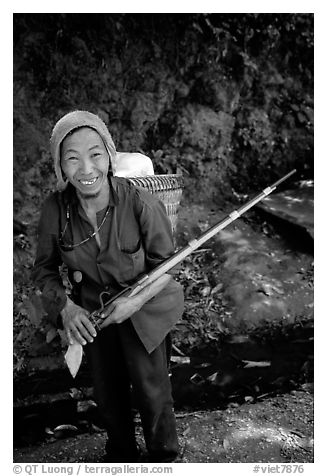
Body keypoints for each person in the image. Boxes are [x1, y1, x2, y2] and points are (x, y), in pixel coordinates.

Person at [32, 110, 184, 463]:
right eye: (72, 158)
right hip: (94, 317)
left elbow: (168, 266)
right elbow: (44, 271)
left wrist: (134, 303)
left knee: (152, 390)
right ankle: (119, 457)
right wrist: (67, 309)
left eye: (95, 154)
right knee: (108, 393)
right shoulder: (56, 210)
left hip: (143, 311)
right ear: (60, 166)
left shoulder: (140, 203)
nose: (86, 169)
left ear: (110, 157)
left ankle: (163, 458)